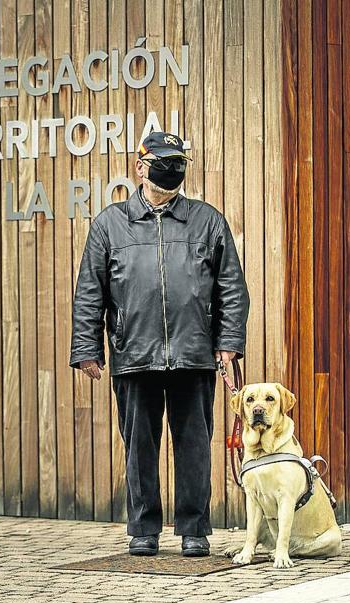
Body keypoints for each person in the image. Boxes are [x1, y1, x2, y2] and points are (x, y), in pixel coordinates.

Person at [69, 131, 249, 557]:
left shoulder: (208, 221)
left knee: (193, 447)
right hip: (134, 353)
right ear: (140, 165)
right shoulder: (110, 224)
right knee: (139, 448)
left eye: (178, 160)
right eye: (164, 160)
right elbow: (90, 291)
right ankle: (143, 529)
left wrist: (228, 343)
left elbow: (231, 288)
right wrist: (86, 347)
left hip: (194, 353)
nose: (172, 168)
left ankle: (193, 530)